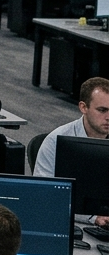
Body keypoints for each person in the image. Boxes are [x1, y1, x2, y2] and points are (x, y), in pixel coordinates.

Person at [35, 77, 109, 226]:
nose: (108, 117)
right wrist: (93, 218)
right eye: (102, 110)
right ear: (83, 107)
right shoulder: (55, 141)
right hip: (70, 223)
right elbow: (44, 197)